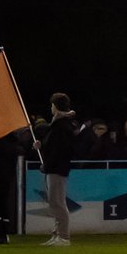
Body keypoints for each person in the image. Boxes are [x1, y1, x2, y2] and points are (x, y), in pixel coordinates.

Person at [37, 93, 83, 245]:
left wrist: (47, 165)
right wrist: (41, 146)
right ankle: (57, 235)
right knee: (55, 202)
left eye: (52, 105)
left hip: (57, 168)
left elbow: (59, 150)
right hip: (55, 168)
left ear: (55, 107)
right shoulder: (60, 124)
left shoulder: (61, 126)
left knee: (57, 202)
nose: (51, 108)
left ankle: (63, 236)